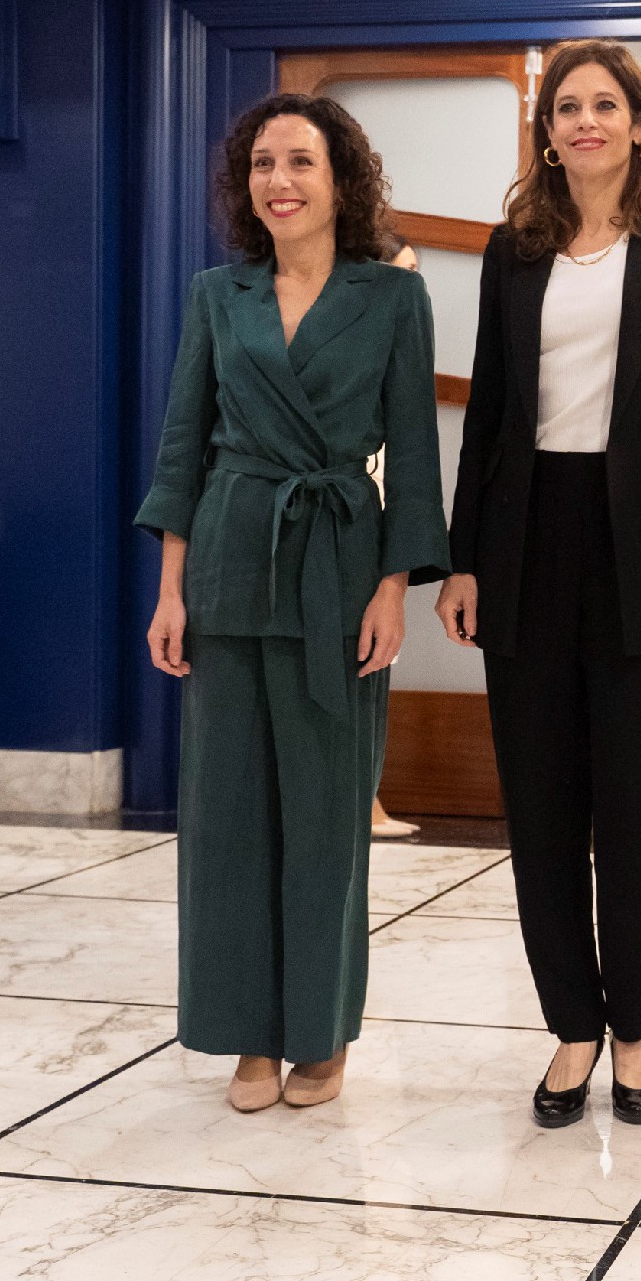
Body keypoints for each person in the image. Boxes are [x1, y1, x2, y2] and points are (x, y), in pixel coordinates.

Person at [436, 39, 641, 1129]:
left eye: (604, 104)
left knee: (638, 800)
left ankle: (635, 1026)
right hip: (526, 538)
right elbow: (491, 415)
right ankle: (571, 1021)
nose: (584, 121)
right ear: (547, 131)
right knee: (543, 796)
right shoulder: (510, 248)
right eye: (566, 107)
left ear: (637, 124)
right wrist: (462, 554)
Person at [138, 93, 448, 1113]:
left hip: (340, 564)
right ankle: (246, 1037)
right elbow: (184, 445)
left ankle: (317, 1030)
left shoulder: (393, 296)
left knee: (324, 817)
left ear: (341, 180)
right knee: (226, 817)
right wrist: (171, 589)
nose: (279, 180)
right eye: (263, 163)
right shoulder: (216, 295)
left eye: (301, 162)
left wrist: (394, 589)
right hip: (229, 556)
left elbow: (412, 448)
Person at [369, 227, 422, 840]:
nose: (413, 283)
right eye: (403, 269)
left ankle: (370, 798)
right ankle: (366, 801)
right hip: (351, 501)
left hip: (382, 510)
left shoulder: (403, 341)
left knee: (380, 659)